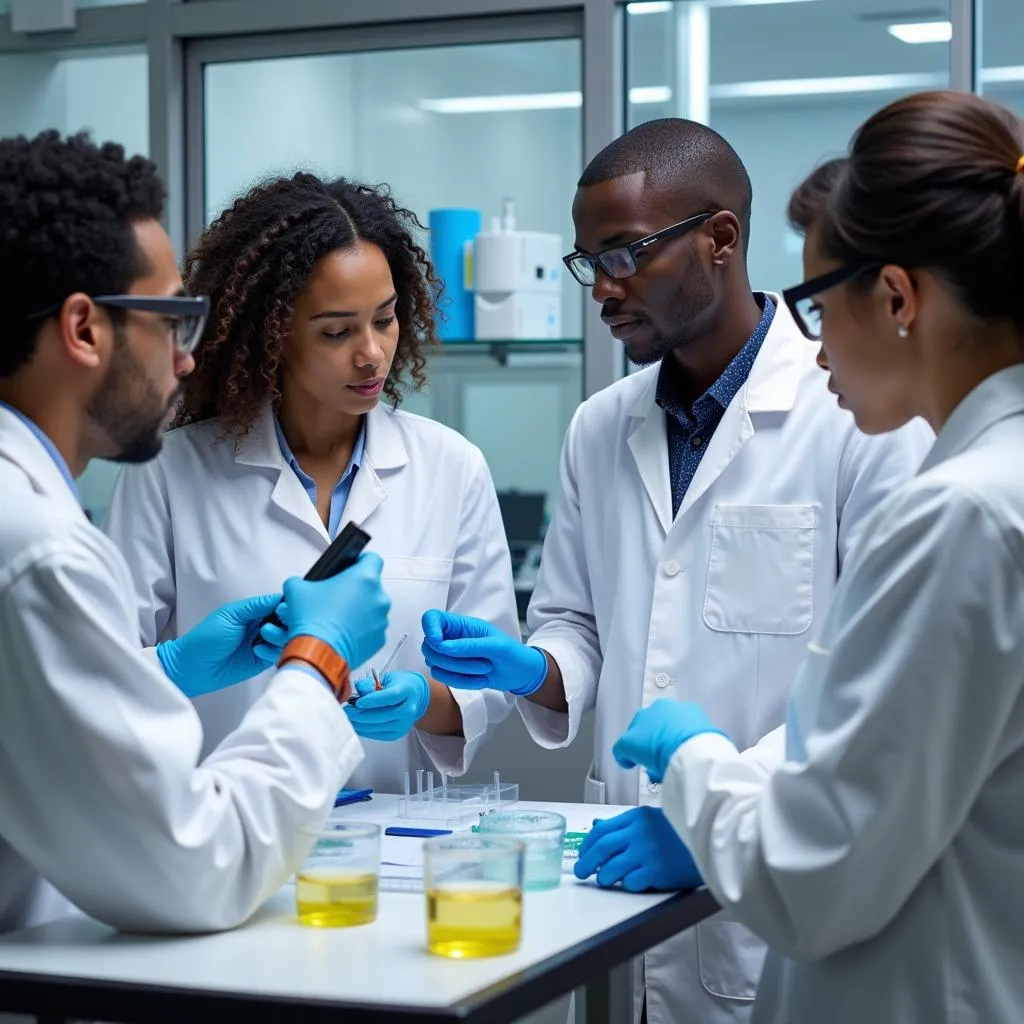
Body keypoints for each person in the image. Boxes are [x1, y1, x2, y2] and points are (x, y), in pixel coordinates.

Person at [419, 118, 933, 1024]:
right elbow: (576, 624)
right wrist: (531, 668)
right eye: (588, 263)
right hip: (611, 890)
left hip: (768, 895)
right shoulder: (599, 425)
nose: (604, 290)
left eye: (625, 254)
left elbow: (871, 689)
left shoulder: (855, 416)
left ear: (721, 240)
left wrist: (709, 814)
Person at [596, 89, 1024, 1024]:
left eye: (818, 303)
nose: (810, 338)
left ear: (899, 297)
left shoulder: (965, 516)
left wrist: (695, 760)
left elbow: (813, 876)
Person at [0, 131, 390, 935]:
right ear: (83, 328)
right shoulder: (37, 547)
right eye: (173, 318)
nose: (186, 361)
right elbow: (193, 865)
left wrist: (164, 668)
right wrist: (315, 662)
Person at [103, 172, 518, 790]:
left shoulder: (450, 466)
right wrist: (177, 666)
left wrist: (423, 699)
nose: (372, 353)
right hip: (224, 832)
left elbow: (490, 674)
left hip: (390, 839)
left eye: (385, 319)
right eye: (336, 331)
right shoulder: (171, 470)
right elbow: (96, 681)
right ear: (270, 335)